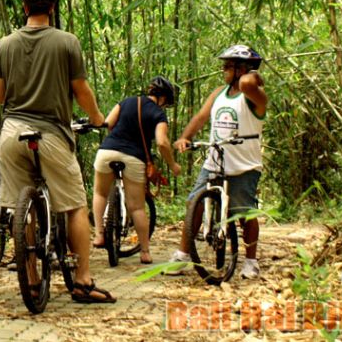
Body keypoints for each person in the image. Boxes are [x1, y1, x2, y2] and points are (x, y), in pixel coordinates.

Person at [0, 0, 115, 304]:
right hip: (52, 133)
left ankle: (30, 279)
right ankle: (83, 280)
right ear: (53, 6)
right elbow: (81, 90)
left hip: (12, 133)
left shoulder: (5, 44)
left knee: (23, 207)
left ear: (24, 6)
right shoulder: (67, 42)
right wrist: (97, 118)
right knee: (75, 204)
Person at [167, 45, 267, 279]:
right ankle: (183, 255)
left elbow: (248, 85)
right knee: (194, 203)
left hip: (243, 164)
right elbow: (201, 117)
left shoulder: (254, 96)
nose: (223, 70)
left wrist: (251, 74)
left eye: (229, 66)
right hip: (215, 160)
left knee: (245, 213)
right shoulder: (219, 93)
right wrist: (185, 137)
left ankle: (251, 261)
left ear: (243, 69)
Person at [91, 76, 182, 264]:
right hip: (134, 157)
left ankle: (99, 235)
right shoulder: (158, 114)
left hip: (107, 151)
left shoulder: (127, 102)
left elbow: (108, 123)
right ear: (163, 98)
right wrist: (172, 164)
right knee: (137, 207)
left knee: (100, 193)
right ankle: (145, 252)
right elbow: (162, 142)